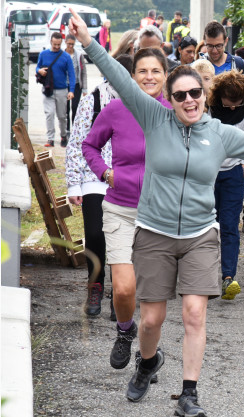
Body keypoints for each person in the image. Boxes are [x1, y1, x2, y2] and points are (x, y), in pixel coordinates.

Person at [69, 8, 244, 416]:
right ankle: (147, 362)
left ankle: (190, 394)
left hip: (199, 234)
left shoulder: (220, 133)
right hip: (155, 232)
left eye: (195, 93)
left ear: (204, 95)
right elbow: (120, 77)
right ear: (171, 100)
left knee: (195, 313)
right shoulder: (154, 118)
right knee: (150, 321)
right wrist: (88, 42)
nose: (188, 101)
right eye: (179, 95)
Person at [83, 47, 172, 374]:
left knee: (151, 296)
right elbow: (89, 145)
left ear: (165, 76)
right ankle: (125, 331)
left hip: (160, 216)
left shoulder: (174, 114)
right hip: (120, 209)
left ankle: (148, 355)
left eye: (156, 71)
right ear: (132, 77)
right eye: (142, 71)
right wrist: (105, 173)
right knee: (123, 288)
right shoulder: (116, 110)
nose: (149, 77)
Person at [65, 54, 134, 318]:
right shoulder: (92, 99)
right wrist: (74, 184)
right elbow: (77, 143)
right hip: (95, 176)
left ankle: (121, 293)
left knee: (125, 238)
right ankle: (95, 284)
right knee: (95, 234)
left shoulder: (141, 103)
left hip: (128, 178)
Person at [207, 70, 244, 300]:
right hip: (207, 173)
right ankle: (205, 274)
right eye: (228, 105)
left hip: (234, 173)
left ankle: (228, 277)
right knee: (207, 226)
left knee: (229, 225)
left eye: (236, 105)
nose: (232, 109)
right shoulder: (207, 107)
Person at [36, 32, 75, 147]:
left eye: (59, 44)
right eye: (55, 44)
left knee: (62, 116)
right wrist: (39, 71)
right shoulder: (43, 54)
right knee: (49, 113)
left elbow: (72, 75)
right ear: (51, 42)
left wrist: (71, 90)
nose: (57, 47)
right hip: (48, 89)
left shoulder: (66, 57)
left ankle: (63, 136)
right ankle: (50, 138)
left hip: (62, 90)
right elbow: (38, 67)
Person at [64, 34, 87, 146]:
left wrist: (85, 88)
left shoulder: (79, 55)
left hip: (77, 85)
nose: (70, 46)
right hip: (64, 85)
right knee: (65, 108)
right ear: (65, 42)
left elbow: (83, 71)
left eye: (72, 44)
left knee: (75, 107)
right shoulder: (62, 54)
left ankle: (74, 129)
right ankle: (66, 130)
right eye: (69, 44)